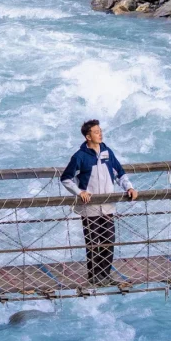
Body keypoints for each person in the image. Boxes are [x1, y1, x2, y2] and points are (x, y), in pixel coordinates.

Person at [60, 120, 138, 283]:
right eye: (96, 132)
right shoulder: (79, 156)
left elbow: (120, 173)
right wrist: (79, 192)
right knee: (93, 242)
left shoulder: (107, 152)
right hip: (90, 207)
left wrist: (129, 188)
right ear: (88, 137)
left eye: (100, 131)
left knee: (109, 241)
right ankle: (94, 277)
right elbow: (66, 178)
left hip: (108, 205)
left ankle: (106, 275)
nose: (100, 134)